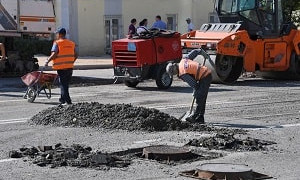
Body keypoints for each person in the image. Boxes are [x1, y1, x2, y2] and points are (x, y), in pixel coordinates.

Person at [166, 49, 212, 124]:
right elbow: (195, 52)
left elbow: (193, 84)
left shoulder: (182, 73)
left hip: (204, 76)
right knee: (202, 97)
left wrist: (195, 91)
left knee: (199, 96)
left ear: (174, 69)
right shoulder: (183, 60)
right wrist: (202, 52)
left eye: (173, 73)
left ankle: (194, 117)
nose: (174, 75)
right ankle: (200, 117)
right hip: (206, 74)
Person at [45, 28, 78, 105]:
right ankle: (62, 99)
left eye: (57, 34)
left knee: (63, 84)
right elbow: (76, 54)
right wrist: (71, 61)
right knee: (66, 83)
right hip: (69, 67)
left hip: (61, 68)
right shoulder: (71, 43)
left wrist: (47, 61)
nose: (56, 35)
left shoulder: (57, 43)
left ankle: (68, 101)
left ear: (59, 34)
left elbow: (54, 54)